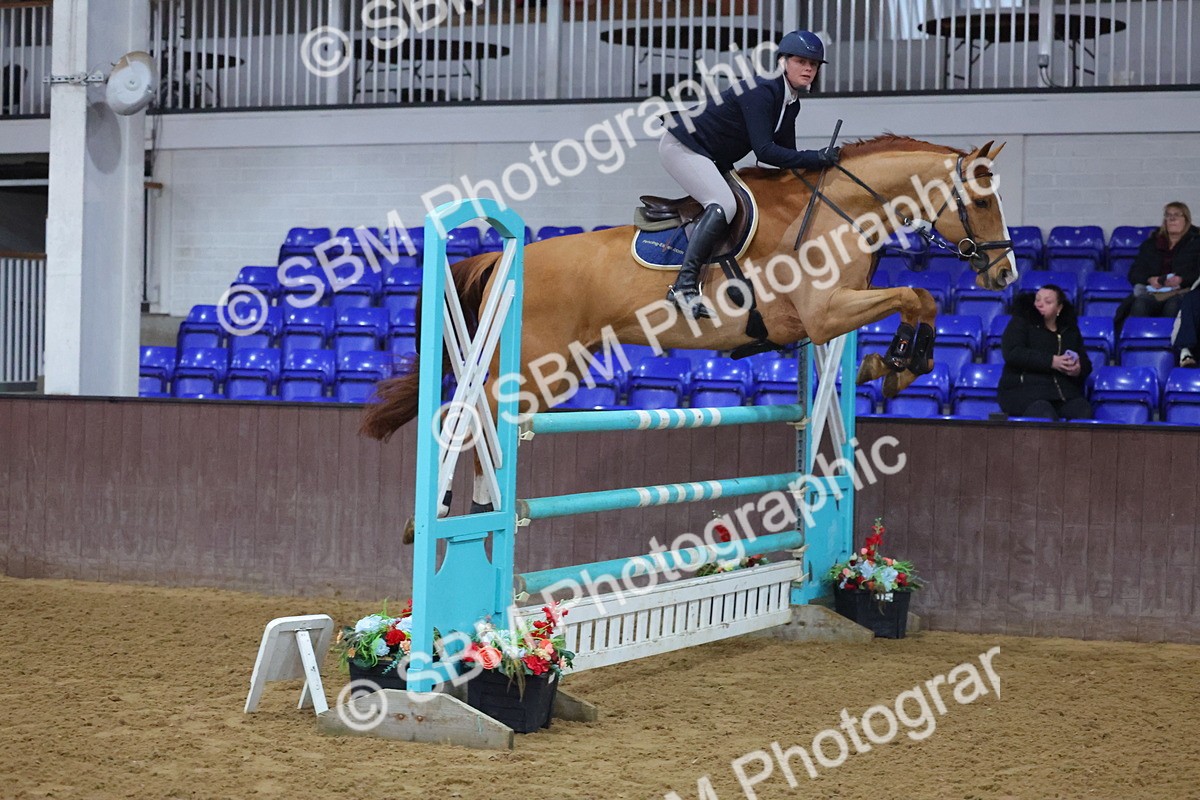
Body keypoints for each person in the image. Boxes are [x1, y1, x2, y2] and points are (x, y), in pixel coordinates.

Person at [658, 30, 841, 319]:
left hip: (711, 156)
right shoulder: (762, 89)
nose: (809, 69)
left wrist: (822, 167)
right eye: (802, 61)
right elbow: (765, 152)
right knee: (725, 204)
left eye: (814, 64)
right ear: (783, 62)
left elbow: (786, 158)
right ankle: (684, 286)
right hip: (684, 146)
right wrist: (815, 157)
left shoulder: (791, 102)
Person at [998, 285, 1094, 420]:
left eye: (1048, 302)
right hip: (1024, 393)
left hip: (1063, 394)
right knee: (1044, 413)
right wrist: (1051, 361)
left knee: (1083, 410)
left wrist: (1077, 369)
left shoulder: (1070, 330)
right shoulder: (1021, 322)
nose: (1040, 304)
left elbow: (1086, 362)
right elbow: (1013, 353)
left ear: (1059, 308)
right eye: (1037, 300)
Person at [1117, 202, 1200, 332]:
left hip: (1182, 292)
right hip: (1154, 291)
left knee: (1173, 306)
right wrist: (1150, 279)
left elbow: (1197, 272)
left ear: (1186, 220)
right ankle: (1139, 344)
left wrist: (1181, 279)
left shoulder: (1196, 243)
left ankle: (1168, 348)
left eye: (1177, 215)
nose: (1172, 219)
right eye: (1168, 215)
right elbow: (1135, 271)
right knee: (1140, 304)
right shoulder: (1151, 244)